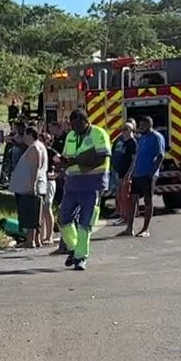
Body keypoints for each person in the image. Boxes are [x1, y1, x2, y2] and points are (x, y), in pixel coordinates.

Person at [55, 110, 111, 271]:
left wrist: (76, 161)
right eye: (72, 124)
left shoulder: (99, 134)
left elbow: (101, 157)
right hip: (72, 184)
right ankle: (73, 249)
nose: (74, 128)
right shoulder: (71, 136)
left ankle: (80, 257)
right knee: (63, 219)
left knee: (85, 223)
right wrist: (62, 164)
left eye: (77, 124)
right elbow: (67, 157)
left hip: (92, 184)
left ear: (85, 121)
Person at [8, 122, 49, 248]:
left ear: (30, 134)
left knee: (30, 213)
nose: (23, 138)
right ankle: (36, 239)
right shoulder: (40, 146)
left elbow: (34, 168)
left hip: (30, 187)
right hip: (36, 185)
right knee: (36, 213)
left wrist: (32, 186)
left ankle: (30, 240)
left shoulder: (34, 148)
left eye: (25, 135)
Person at [124, 115, 165, 238]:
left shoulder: (156, 137)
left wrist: (152, 173)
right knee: (132, 200)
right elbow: (137, 157)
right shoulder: (142, 138)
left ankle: (145, 229)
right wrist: (131, 173)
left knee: (148, 200)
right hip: (137, 174)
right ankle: (129, 228)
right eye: (140, 125)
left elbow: (160, 156)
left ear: (149, 125)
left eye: (142, 125)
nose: (140, 127)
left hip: (148, 175)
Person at [109, 120, 137, 223]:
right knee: (121, 196)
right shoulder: (124, 142)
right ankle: (123, 215)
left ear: (132, 130)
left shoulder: (133, 143)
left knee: (126, 197)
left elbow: (134, 160)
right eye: (122, 129)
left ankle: (127, 218)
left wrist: (129, 174)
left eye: (126, 129)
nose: (123, 131)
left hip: (126, 174)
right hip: (121, 173)